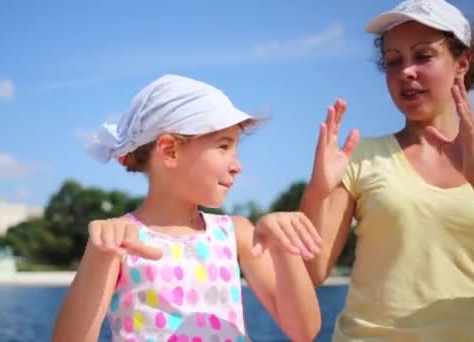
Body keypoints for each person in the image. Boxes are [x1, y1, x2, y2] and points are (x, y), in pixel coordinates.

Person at [257, 0, 474, 340]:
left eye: (423, 56)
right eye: (394, 61)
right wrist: (317, 190)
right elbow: (310, 273)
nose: (406, 71)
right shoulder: (362, 157)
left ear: (462, 63)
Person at [52, 74, 322, 342]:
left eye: (236, 148)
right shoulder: (122, 240)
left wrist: (284, 249)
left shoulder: (236, 233)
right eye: (224, 146)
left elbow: (304, 331)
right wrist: (97, 256)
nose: (237, 165)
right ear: (169, 150)